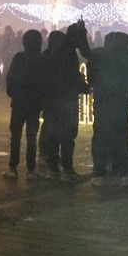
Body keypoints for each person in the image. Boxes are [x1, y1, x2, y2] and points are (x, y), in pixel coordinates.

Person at [78, 21, 128, 187]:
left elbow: (84, 51)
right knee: (122, 140)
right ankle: (125, 174)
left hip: (102, 103)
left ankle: (99, 173)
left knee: (100, 139)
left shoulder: (100, 55)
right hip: (121, 105)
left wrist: (81, 31)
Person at [40, 23, 87, 180]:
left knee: (53, 134)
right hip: (66, 99)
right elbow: (70, 75)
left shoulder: (49, 53)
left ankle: (53, 167)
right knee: (67, 135)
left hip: (52, 100)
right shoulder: (67, 52)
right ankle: (67, 168)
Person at [2, 29, 47, 180]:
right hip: (34, 103)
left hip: (19, 102)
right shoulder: (41, 60)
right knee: (31, 136)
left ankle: (12, 166)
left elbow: (10, 78)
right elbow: (44, 82)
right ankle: (31, 169)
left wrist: (13, 93)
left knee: (16, 135)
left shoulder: (19, 58)